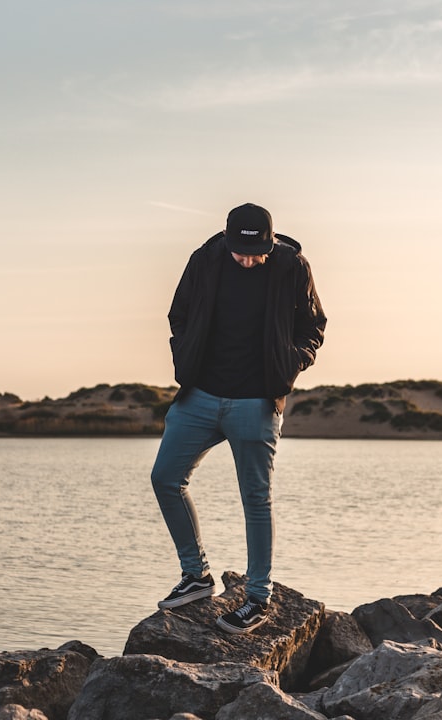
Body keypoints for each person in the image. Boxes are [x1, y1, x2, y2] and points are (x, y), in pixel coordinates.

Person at [150, 202, 327, 634]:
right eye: (240, 252)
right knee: (165, 478)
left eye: (256, 253)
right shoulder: (204, 260)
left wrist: (290, 364)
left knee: (256, 498)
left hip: (256, 401)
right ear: (228, 241)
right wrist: (185, 355)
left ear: (271, 242)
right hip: (201, 396)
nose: (248, 260)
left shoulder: (292, 266)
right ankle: (196, 576)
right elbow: (179, 314)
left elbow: (314, 326)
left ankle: (258, 598)